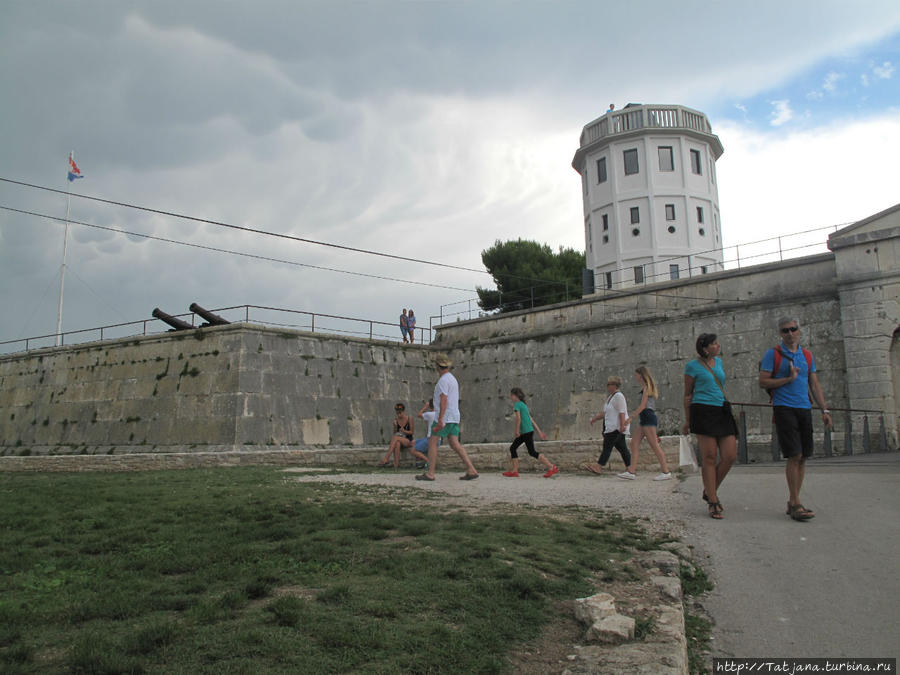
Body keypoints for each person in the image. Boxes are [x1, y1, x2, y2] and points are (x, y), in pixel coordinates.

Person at [758, 317, 833, 521]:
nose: (790, 333)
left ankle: (794, 501)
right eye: (785, 331)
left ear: (799, 331)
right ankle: (796, 502)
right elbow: (762, 382)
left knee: (803, 456)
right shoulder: (772, 354)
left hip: (804, 408)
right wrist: (787, 379)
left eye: (793, 329)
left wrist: (824, 410)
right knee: (794, 454)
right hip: (784, 407)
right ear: (780, 333)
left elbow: (814, 384)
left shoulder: (807, 356)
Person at [682, 333, 737, 519]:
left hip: (721, 410)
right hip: (702, 410)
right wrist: (688, 420)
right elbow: (688, 394)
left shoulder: (719, 363)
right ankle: (713, 501)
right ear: (705, 348)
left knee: (730, 455)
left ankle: (709, 489)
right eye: (714, 343)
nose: (718, 345)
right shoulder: (692, 366)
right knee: (710, 457)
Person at [416, 353, 479, 481]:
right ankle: (471, 469)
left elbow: (443, 399)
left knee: (432, 442)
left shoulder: (443, 381)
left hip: (445, 417)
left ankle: (430, 473)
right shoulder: (452, 379)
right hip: (454, 416)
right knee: (455, 443)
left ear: (437, 366)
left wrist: (440, 419)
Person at [619, 366, 671, 481]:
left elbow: (643, 406)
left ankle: (666, 471)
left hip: (648, 417)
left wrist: (630, 417)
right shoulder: (645, 388)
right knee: (634, 443)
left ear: (641, 375)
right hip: (645, 419)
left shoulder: (647, 387)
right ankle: (631, 471)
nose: (635, 377)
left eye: (636, 374)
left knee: (655, 446)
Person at [502, 387, 558, 478]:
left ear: (516, 396)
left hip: (525, 432)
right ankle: (515, 471)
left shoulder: (517, 405)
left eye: (511, 395)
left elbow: (519, 419)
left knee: (532, 452)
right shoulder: (524, 405)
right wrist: (539, 432)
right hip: (528, 432)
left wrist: (516, 431)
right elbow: (531, 420)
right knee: (513, 448)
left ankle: (552, 467)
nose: (510, 397)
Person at [583, 376, 631, 474]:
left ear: (614, 385)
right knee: (622, 448)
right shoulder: (610, 397)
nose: (607, 386)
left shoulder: (619, 396)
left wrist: (622, 425)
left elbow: (622, 411)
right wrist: (595, 418)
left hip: (615, 427)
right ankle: (630, 467)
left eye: (609, 384)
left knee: (607, 446)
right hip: (611, 427)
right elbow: (605, 413)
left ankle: (598, 466)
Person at [377, 402, 415, 468]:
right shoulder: (396, 420)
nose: (399, 414)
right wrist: (395, 426)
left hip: (408, 440)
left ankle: (386, 458)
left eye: (400, 413)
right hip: (399, 439)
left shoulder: (409, 418)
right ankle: (396, 466)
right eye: (397, 413)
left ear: (403, 411)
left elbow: (412, 432)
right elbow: (395, 432)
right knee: (397, 443)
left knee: (395, 438)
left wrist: (404, 431)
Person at [411, 399, 437, 468]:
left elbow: (419, 415)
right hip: (433, 439)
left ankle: (428, 461)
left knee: (413, 450)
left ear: (430, 406)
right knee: (413, 442)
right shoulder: (439, 413)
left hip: (430, 440)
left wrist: (425, 407)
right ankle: (420, 462)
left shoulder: (429, 414)